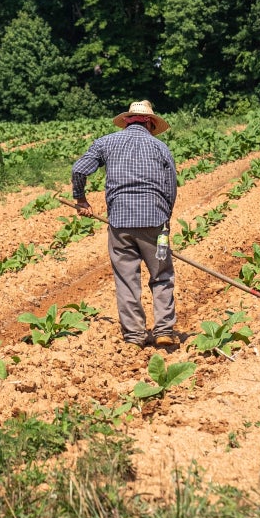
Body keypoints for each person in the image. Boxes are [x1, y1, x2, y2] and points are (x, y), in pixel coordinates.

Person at [72, 100, 178, 349]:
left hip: (120, 223)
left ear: (127, 121)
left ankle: (134, 336)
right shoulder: (160, 147)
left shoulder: (105, 143)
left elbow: (79, 170)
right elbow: (171, 187)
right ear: (151, 123)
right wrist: (165, 218)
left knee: (126, 278)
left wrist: (80, 199)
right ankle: (163, 330)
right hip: (156, 223)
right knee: (162, 275)